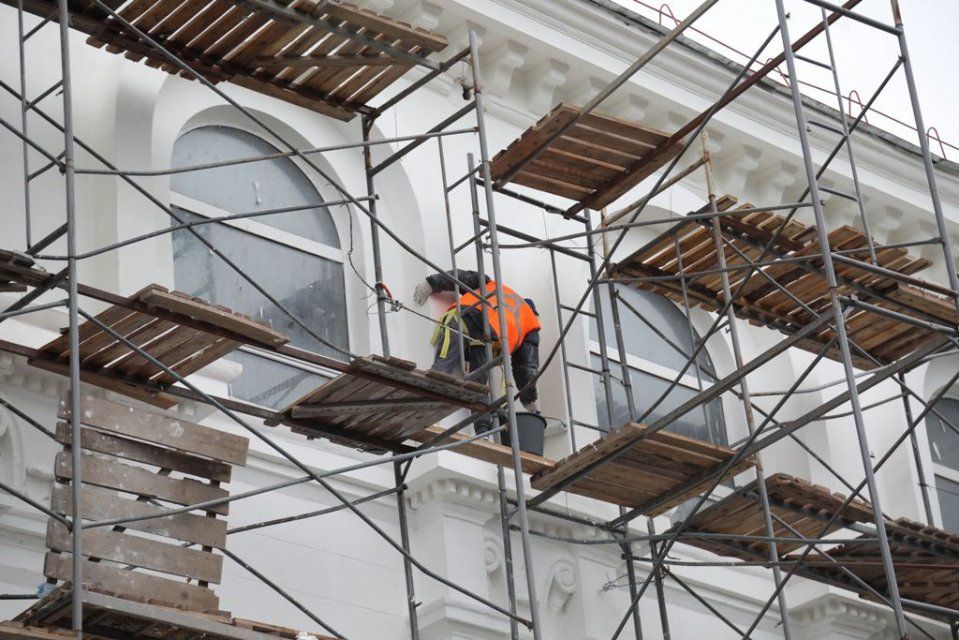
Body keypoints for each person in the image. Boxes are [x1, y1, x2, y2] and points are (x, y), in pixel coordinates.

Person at [413, 269, 541, 433]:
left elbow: (462, 278)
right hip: (486, 339)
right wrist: (529, 400)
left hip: (464, 321)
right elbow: (525, 368)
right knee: (478, 384)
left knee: (442, 369)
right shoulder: (530, 323)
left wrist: (433, 283)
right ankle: (483, 430)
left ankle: (423, 409)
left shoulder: (494, 286)